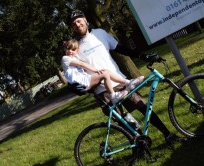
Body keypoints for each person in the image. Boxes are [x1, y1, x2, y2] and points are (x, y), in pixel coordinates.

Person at [67, 10, 186, 143]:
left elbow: (120, 48)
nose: (77, 24)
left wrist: (142, 55)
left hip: (120, 81)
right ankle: (142, 144)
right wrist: (74, 87)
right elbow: (73, 71)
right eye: (73, 24)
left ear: (85, 20)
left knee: (143, 106)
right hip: (102, 91)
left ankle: (168, 135)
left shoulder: (100, 33)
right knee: (123, 121)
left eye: (79, 20)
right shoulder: (74, 47)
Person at [61, 39, 144, 104]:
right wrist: (96, 70)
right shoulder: (65, 59)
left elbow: (84, 63)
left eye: (73, 49)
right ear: (65, 49)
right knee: (104, 74)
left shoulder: (75, 57)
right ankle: (113, 96)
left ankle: (128, 82)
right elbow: (82, 64)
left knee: (106, 71)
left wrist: (97, 70)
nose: (70, 51)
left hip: (84, 80)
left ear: (77, 50)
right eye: (68, 49)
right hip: (80, 83)